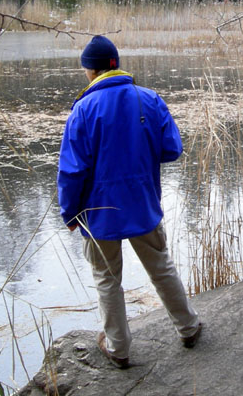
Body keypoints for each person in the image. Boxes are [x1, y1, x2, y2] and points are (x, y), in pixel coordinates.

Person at [57, 35, 202, 369]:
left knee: (108, 279)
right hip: (142, 205)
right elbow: (172, 149)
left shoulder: (83, 109)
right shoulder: (149, 99)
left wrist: (69, 212)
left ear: (88, 71)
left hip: (99, 213)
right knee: (161, 268)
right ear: (115, 65)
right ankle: (189, 328)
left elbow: (71, 171)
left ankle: (118, 349)